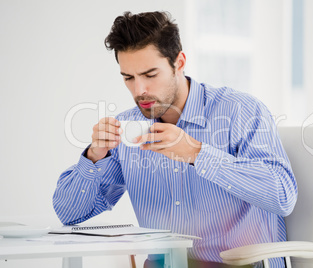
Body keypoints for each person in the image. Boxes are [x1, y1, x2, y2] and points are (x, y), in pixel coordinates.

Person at [53, 11, 297, 268]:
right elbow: (69, 214)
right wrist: (94, 155)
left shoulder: (240, 111)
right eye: (128, 78)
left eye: (150, 75)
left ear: (179, 62)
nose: (139, 91)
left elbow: (282, 196)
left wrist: (196, 152)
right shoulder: (128, 130)